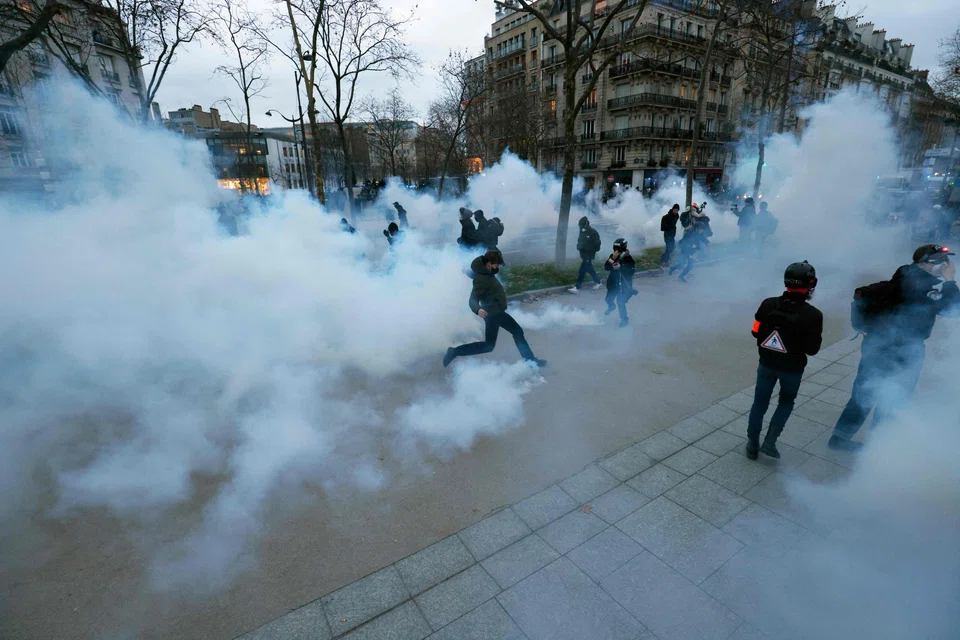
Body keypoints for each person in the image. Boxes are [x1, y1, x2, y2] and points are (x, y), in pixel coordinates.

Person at [829, 244, 959, 451]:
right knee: (893, 397)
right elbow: (954, 309)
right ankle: (877, 447)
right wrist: (950, 280)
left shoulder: (903, 275)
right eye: (943, 261)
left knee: (864, 394)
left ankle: (839, 438)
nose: (947, 265)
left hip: (877, 344)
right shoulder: (927, 287)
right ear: (927, 263)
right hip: (904, 350)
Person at [745, 262, 824, 460]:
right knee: (786, 402)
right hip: (792, 370)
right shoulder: (813, 315)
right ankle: (770, 442)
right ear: (811, 283)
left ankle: (752, 444)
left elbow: (755, 332)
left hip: (767, 364)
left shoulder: (767, 304)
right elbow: (812, 350)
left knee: (759, 404)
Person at [444, 250, 547, 368]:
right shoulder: (482, 279)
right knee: (517, 331)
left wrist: (466, 271)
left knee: (489, 345)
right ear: (488, 263)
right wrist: (477, 309)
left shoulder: (483, 272)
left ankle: (454, 351)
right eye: (496, 264)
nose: (497, 266)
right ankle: (531, 361)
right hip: (494, 314)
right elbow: (473, 299)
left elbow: (474, 274)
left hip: (493, 313)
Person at [604, 238, 636, 328]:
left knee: (621, 302)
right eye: (615, 249)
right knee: (608, 299)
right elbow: (606, 267)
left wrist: (621, 267)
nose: (616, 251)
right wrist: (612, 258)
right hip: (613, 284)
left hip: (623, 285)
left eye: (618, 249)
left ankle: (624, 320)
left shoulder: (628, 258)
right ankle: (611, 306)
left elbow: (632, 270)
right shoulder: (613, 256)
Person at [570, 216, 603, 293]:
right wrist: (578, 247)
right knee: (589, 269)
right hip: (584, 255)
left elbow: (597, 244)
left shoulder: (593, 232)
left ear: (585, 224)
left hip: (589, 255)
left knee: (582, 270)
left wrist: (590, 250)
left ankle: (577, 287)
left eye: (581, 225)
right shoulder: (582, 232)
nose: (580, 227)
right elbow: (579, 241)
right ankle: (598, 282)